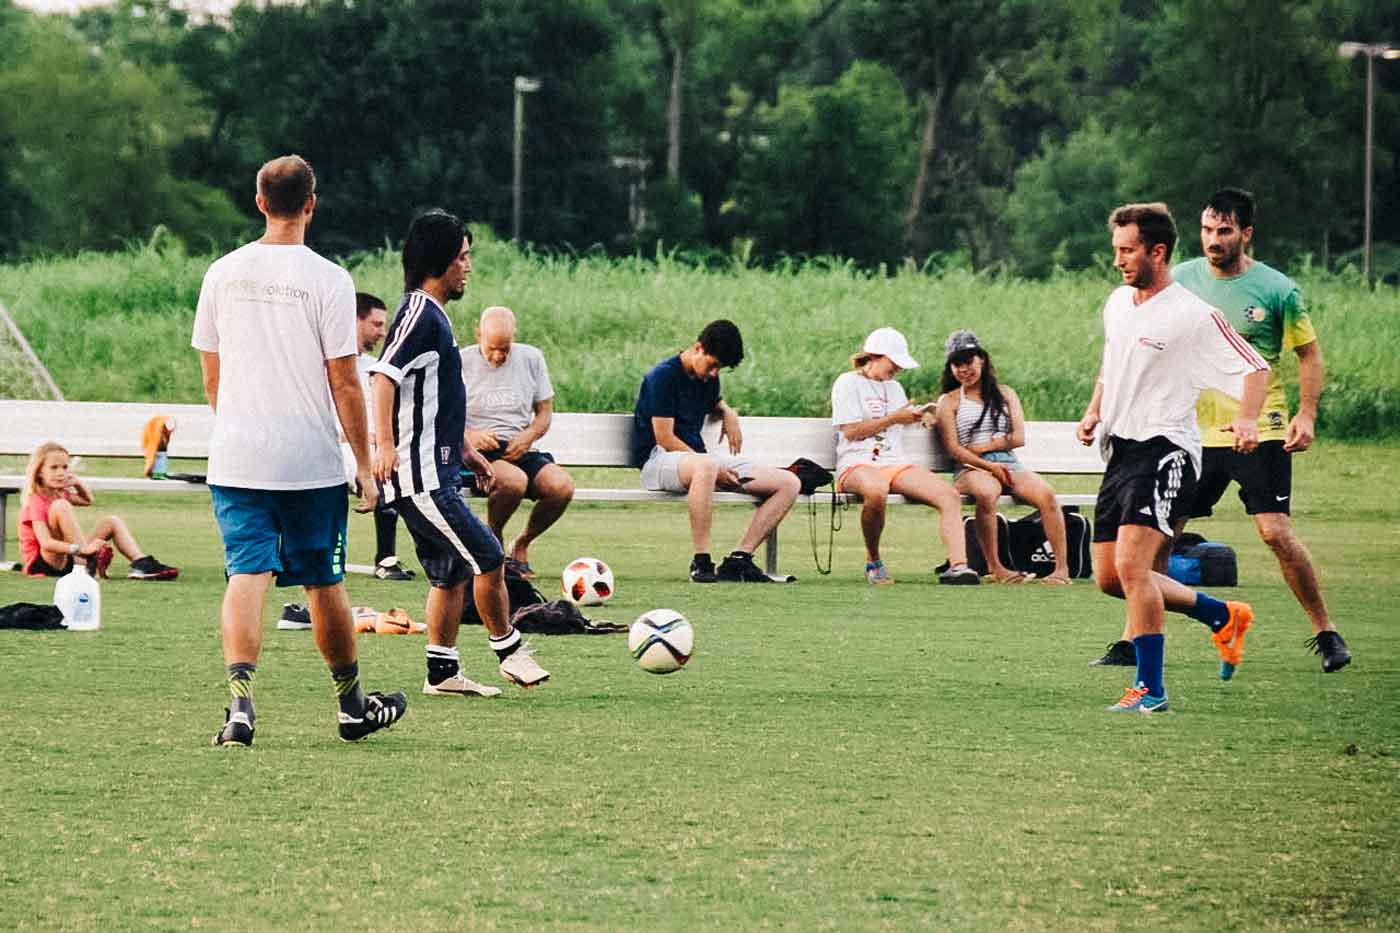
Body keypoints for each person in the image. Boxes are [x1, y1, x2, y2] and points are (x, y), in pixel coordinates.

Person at [193, 154, 407, 747]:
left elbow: (213, 373)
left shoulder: (222, 273)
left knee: (247, 573)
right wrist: (364, 463)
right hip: (308, 461)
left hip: (237, 455)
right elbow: (344, 378)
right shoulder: (331, 280)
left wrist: (238, 426)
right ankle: (350, 707)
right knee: (323, 582)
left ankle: (240, 707)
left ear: (260, 202)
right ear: (312, 203)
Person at [1091, 188, 1350, 674]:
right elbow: (1118, 355)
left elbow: (1295, 357)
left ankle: (1325, 629)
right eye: (1207, 229)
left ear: (1245, 234)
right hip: (1181, 431)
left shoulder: (1273, 290)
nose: (1213, 239)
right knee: (1129, 564)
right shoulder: (1165, 283)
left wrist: (1298, 414)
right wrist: (1096, 408)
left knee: (1273, 532)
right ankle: (1208, 618)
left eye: (1224, 230)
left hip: (1241, 432)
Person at [1076, 202, 1271, 714]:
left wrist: (1248, 419)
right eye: (1115, 249)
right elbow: (1111, 362)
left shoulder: (1192, 314)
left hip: (1166, 448)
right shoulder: (1118, 303)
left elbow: (1256, 366)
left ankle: (1151, 689)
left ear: (1157, 251)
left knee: (1134, 567)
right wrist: (1095, 410)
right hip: (1122, 449)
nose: (1118, 259)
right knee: (1110, 578)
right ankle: (1221, 615)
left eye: (1127, 250)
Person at [369, 209, 549, 698]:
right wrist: (384, 447)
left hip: (438, 468)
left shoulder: (432, 316)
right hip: (421, 477)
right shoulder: (420, 314)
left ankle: (442, 674)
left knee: (448, 576)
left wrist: (466, 449)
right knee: (489, 559)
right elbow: (384, 376)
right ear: (442, 261)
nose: (468, 266)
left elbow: (433, 398)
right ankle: (510, 650)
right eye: (464, 257)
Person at [632, 319, 801, 583]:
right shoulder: (662, 377)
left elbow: (715, 402)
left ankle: (739, 560)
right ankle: (701, 561)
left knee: (789, 482)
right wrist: (712, 467)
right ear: (698, 348)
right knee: (707, 466)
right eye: (713, 365)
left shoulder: (708, 380)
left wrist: (727, 411)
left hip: (698, 462)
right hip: (658, 460)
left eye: (719, 368)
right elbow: (664, 438)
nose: (713, 373)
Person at [831, 327, 978, 586]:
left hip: (893, 462)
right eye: (893, 362)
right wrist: (894, 419)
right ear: (874, 356)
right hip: (856, 463)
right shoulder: (847, 383)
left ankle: (959, 566)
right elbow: (851, 431)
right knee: (876, 489)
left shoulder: (894, 387)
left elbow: (900, 419)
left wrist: (923, 416)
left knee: (948, 495)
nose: (897, 369)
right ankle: (873, 560)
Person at [934, 330, 1072, 585]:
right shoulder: (949, 401)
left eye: (969, 361)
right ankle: (996, 568)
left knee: (1046, 495)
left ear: (982, 360)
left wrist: (985, 447)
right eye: (958, 364)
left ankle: (1061, 570)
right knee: (987, 493)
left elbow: (1018, 437)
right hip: (970, 468)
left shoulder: (1005, 394)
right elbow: (955, 450)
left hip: (1007, 462)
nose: (965, 369)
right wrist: (987, 464)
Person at [461, 305, 575, 578]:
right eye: (492, 348)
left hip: (519, 445)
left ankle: (522, 542)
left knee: (561, 487)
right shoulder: (459, 361)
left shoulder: (531, 358)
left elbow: (545, 411)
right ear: (478, 334)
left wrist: (529, 435)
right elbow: (441, 414)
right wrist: (468, 436)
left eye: (505, 348)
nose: (499, 356)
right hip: (477, 451)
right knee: (513, 482)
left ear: (515, 337)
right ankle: (493, 541)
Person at [17, 441, 178, 580]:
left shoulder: (60, 493)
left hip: (70, 558)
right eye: (54, 468)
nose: (60, 473)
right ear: (39, 472)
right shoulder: (36, 501)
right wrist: (82, 549)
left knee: (111, 521)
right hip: (44, 564)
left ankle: (141, 563)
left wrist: (77, 483)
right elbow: (46, 543)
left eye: (65, 467)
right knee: (61, 505)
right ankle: (89, 558)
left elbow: (87, 500)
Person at [351, 292, 415, 581]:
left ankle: (389, 557)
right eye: (376, 324)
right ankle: (385, 560)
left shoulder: (374, 367)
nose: (382, 333)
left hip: (369, 446)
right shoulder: (326, 363)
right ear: (356, 320)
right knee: (383, 472)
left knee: (396, 467)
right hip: (337, 445)